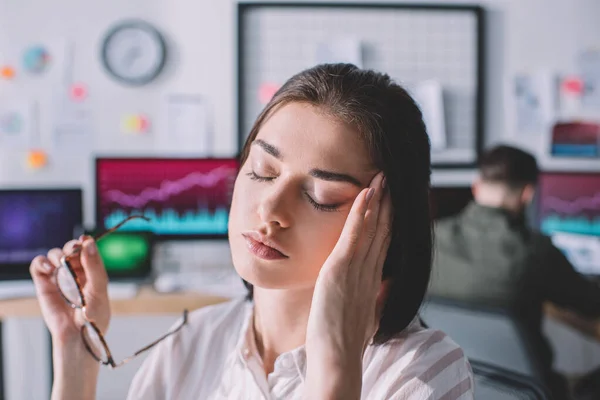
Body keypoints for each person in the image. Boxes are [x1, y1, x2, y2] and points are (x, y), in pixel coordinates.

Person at [31, 64, 474, 400]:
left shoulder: (422, 373)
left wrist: (335, 368)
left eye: (320, 196)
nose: (269, 209)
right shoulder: (192, 339)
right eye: (262, 171)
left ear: (387, 223)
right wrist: (76, 363)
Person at [428, 144, 600, 399]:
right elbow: (591, 303)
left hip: (461, 386)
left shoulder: (431, 240)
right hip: (532, 390)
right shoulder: (534, 252)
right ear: (528, 194)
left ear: (476, 186)